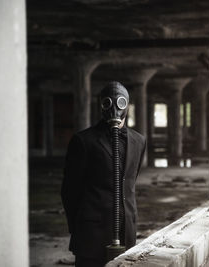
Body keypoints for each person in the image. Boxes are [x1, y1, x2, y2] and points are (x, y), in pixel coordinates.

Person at [61, 81, 146, 267]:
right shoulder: (83, 141)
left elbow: (128, 184)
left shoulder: (139, 141)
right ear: (101, 105)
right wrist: (79, 227)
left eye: (120, 102)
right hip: (92, 234)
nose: (114, 107)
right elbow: (70, 190)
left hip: (126, 231)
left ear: (127, 105)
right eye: (108, 102)